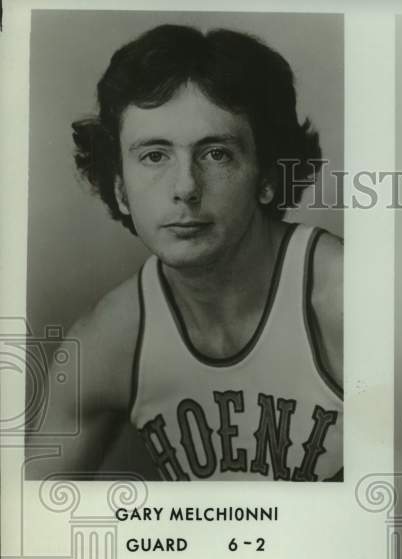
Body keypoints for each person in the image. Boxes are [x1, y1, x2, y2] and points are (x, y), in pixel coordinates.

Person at [34, 24, 343, 481]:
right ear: (120, 188)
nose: (185, 188)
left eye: (216, 154)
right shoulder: (109, 342)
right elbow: (26, 525)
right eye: (155, 156)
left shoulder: (342, 297)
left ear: (267, 176)